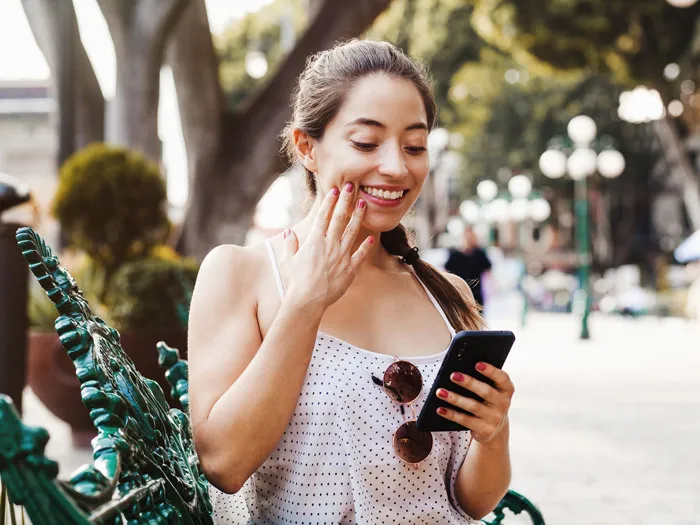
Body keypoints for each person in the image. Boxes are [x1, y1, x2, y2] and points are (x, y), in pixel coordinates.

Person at [188, 40, 515, 524]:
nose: (397, 167)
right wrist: (306, 302)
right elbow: (224, 464)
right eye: (366, 142)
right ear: (307, 147)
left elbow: (470, 502)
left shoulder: (449, 295)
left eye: (415, 145)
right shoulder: (243, 273)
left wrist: (494, 435)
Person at [444, 225, 492, 309]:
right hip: (459, 292)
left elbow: (488, 271)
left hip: (476, 293)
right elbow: (447, 272)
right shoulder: (455, 255)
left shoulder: (479, 254)